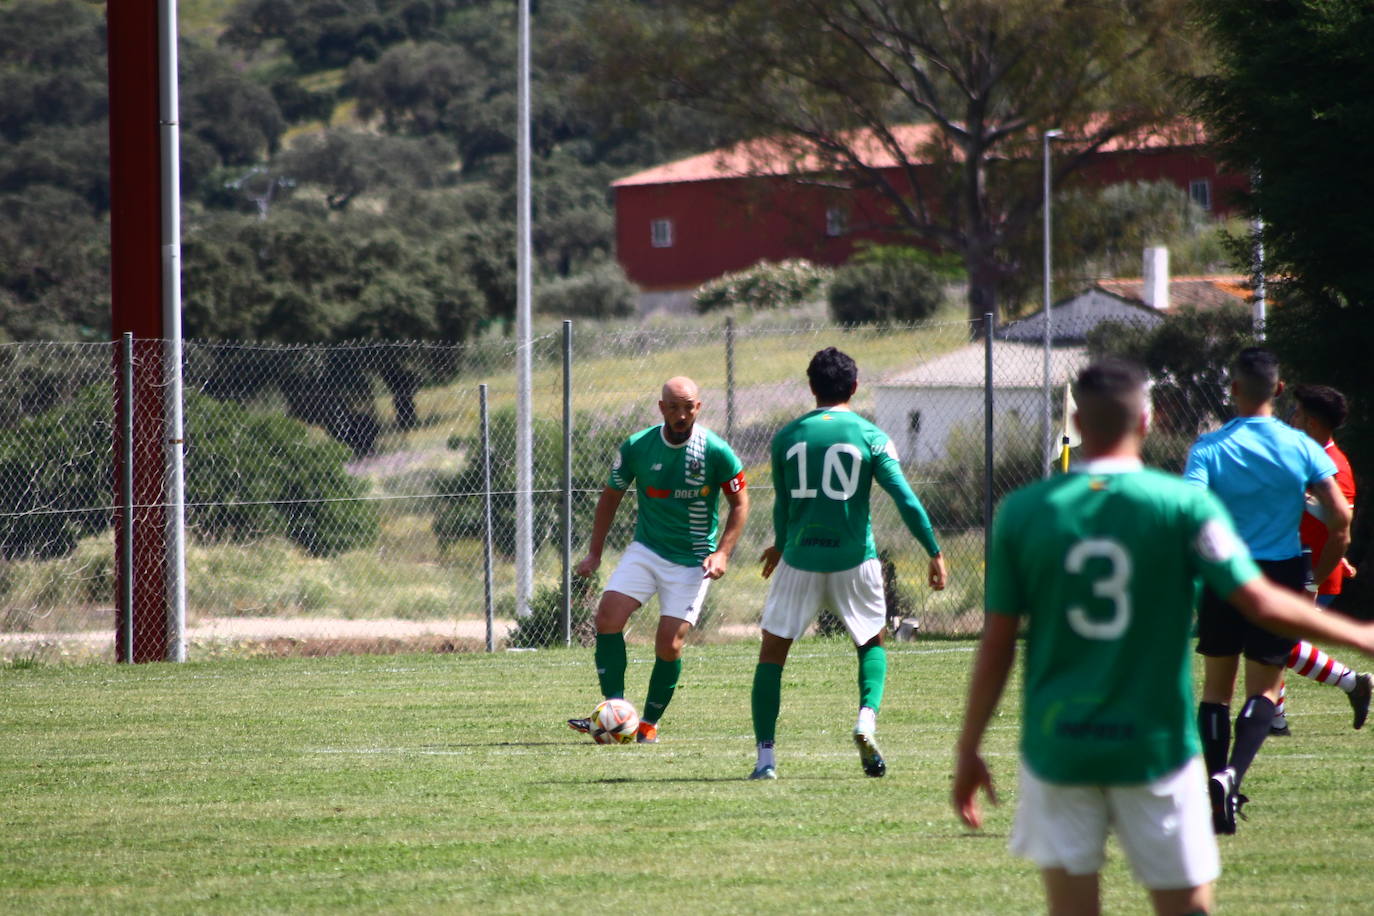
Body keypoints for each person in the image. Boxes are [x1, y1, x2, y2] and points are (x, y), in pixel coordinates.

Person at [952, 359, 1374, 916]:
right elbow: (1263, 602)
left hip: (1059, 746)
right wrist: (1362, 636)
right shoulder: (1180, 507)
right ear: (1147, 423)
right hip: (1154, 747)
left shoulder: (1024, 512)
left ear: (1077, 421)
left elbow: (998, 644)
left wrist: (968, 748)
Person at [748, 347, 946, 780]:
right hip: (855, 560)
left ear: (811, 387)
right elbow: (905, 498)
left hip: (799, 559)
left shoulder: (786, 437)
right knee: (870, 644)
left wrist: (780, 544)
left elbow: (783, 507)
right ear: (854, 387)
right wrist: (933, 550)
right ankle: (865, 722)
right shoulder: (871, 436)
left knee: (771, 656)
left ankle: (765, 761)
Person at [1184, 348, 1351, 833]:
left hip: (1223, 573)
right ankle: (1232, 777)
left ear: (1232, 389)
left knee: (1216, 690)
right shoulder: (1302, 448)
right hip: (1278, 576)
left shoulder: (1209, 447)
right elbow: (1340, 518)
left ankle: (1217, 785)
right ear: (1279, 391)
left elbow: (1189, 508)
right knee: (1265, 690)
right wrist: (1318, 577)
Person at [568, 376, 749, 743]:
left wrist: (722, 553)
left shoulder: (716, 451)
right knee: (607, 618)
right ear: (662, 408)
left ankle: (648, 724)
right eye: (674, 407)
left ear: (698, 407)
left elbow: (740, 503)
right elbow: (610, 497)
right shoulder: (638, 447)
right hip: (647, 550)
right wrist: (594, 553)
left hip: (693, 561)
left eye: (689, 407)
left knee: (669, 644)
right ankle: (615, 714)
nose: (682, 415)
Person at [1270, 383, 1368, 735]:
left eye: (1296, 412)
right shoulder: (1306, 455)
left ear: (1311, 421)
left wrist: (1317, 577)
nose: (1291, 417)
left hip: (1314, 573)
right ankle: (1275, 719)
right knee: (1275, 642)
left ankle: (1352, 682)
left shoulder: (1335, 467)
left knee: (1278, 643)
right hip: (1294, 564)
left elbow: (1338, 524)